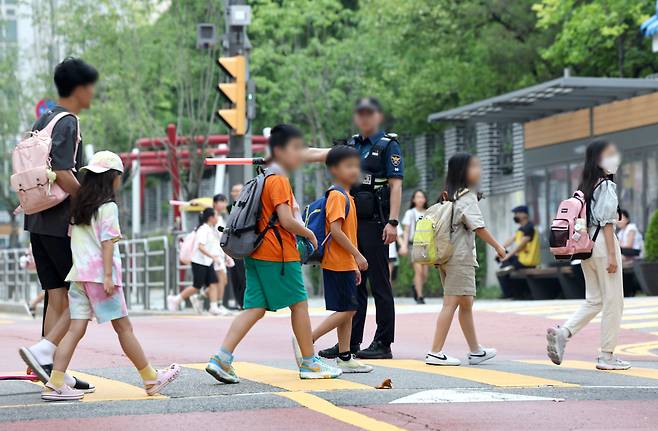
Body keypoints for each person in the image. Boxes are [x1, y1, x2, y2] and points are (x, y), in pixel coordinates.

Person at [205, 124, 342, 383]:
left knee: (254, 308)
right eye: (295, 149)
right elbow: (286, 220)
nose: (299, 153)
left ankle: (222, 358)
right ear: (280, 151)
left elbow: (313, 155)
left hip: (256, 253)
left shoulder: (265, 176)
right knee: (299, 305)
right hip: (278, 253)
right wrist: (309, 233)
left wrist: (334, 151)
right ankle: (310, 363)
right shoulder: (278, 180)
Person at [41, 151, 180, 401]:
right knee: (124, 328)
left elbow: (77, 242)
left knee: (75, 330)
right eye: (118, 176)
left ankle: (55, 382)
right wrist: (107, 276)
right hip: (100, 277)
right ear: (112, 178)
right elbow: (107, 243)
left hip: (80, 276)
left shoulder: (79, 208)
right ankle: (150, 378)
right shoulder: (108, 208)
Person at [19, 58, 97, 393]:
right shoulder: (68, 122)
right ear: (79, 88)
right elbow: (65, 173)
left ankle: (51, 371)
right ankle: (46, 354)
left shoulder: (44, 117)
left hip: (36, 218)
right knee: (82, 294)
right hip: (60, 222)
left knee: (56, 295)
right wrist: (92, 203)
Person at [320, 97, 403, 360]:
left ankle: (383, 342)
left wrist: (393, 222)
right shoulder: (352, 144)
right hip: (351, 222)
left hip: (377, 223)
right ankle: (349, 343)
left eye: (370, 114)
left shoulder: (388, 145)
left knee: (380, 284)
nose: (365, 118)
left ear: (378, 116)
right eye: (361, 114)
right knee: (354, 284)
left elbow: (396, 185)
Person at [546, 140, 630, 371]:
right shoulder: (606, 186)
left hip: (585, 246)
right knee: (614, 301)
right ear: (598, 160)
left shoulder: (586, 185)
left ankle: (564, 332)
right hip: (603, 244)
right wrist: (613, 256)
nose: (615, 158)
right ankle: (606, 355)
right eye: (610, 154)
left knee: (595, 300)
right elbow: (607, 223)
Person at [425, 152, 505, 366]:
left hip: (447, 257)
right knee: (451, 303)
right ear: (462, 171)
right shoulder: (466, 196)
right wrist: (498, 246)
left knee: (466, 303)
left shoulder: (449, 194)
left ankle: (476, 350)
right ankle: (435, 352)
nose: (478, 170)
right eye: (474, 167)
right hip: (459, 258)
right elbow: (478, 226)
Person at [306, 145, 373, 373]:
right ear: (334, 169)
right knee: (348, 310)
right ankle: (307, 340)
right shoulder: (336, 195)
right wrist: (357, 254)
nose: (354, 170)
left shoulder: (347, 196)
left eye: (356, 165)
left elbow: (347, 232)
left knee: (348, 309)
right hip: (337, 260)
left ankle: (345, 356)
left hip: (345, 262)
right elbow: (335, 230)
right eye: (348, 166)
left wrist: (353, 263)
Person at [167, 208, 223, 315]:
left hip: (207, 262)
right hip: (199, 262)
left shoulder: (210, 229)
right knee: (196, 286)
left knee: (214, 283)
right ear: (211, 218)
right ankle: (176, 299)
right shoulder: (203, 229)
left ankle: (213, 307)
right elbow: (200, 247)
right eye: (216, 216)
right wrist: (213, 257)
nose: (217, 218)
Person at [497, 205, 541, 298]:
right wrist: (499, 248)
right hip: (522, 259)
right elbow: (511, 240)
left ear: (524, 215)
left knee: (503, 270)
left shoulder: (529, 228)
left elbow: (519, 247)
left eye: (517, 213)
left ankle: (510, 294)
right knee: (503, 265)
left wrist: (507, 257)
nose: (515, 216)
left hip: (527, 261)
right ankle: (513, 293)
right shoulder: (521, 229)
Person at [399, 190, 429, 304]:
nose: (420, 199)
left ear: (425, 199)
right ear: (413, 200)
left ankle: (415, 285)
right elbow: (406, 231)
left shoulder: (429, 213)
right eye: (417, 197)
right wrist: (404, 246)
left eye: (422, 197)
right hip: (414, 245)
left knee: (425, 274)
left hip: (426, 246)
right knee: (419, 272)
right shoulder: (410, 213)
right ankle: (420, 297)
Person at [212, 194, 233, 314]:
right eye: (221, 202)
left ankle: (203, 298)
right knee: (221, 279)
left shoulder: (220, 217)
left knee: (221, 280)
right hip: (214, 253)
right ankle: (217, 304)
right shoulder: (213, 217)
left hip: (220, 252)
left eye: (224, 202)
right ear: (215, 203)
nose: (223, 204)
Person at [227, 184, 247, 309]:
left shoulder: (248, 206)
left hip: (245, 245)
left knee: (244, 275)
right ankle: (240, 302)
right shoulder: (230, 208)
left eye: (238, 190)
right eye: (233, 191)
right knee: (235, 275)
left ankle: (245, 302)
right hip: (232, 245)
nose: (235, 193)